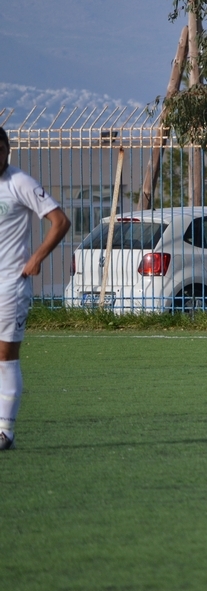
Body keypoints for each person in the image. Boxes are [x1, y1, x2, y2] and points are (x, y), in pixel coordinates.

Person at [0, 126, 71, 450]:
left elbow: (60, 221)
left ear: (7, 150)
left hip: (10, 285)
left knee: (6, 356)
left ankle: (5, 431)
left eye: (0, 149)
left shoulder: (19, 182)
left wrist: (37, 257)